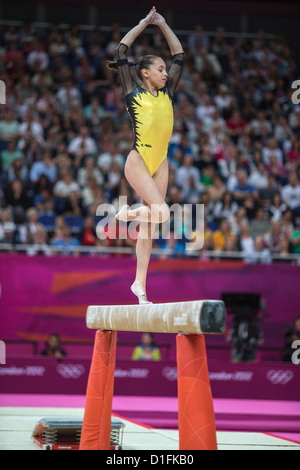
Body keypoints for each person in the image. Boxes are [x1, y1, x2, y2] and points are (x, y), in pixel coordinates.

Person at [108, 7, 184, 304]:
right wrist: (142, 23)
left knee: (149, 227)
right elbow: (121, 50)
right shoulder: (133, 93)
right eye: (160, 69)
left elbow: (179, 56)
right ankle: (125, 214)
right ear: (145, 73)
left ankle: (139, 285)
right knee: (163, 213)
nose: (166, 73)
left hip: (160, 163)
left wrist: (163, 24)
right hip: (139, 160)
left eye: (166, 70)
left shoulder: (167, 93)